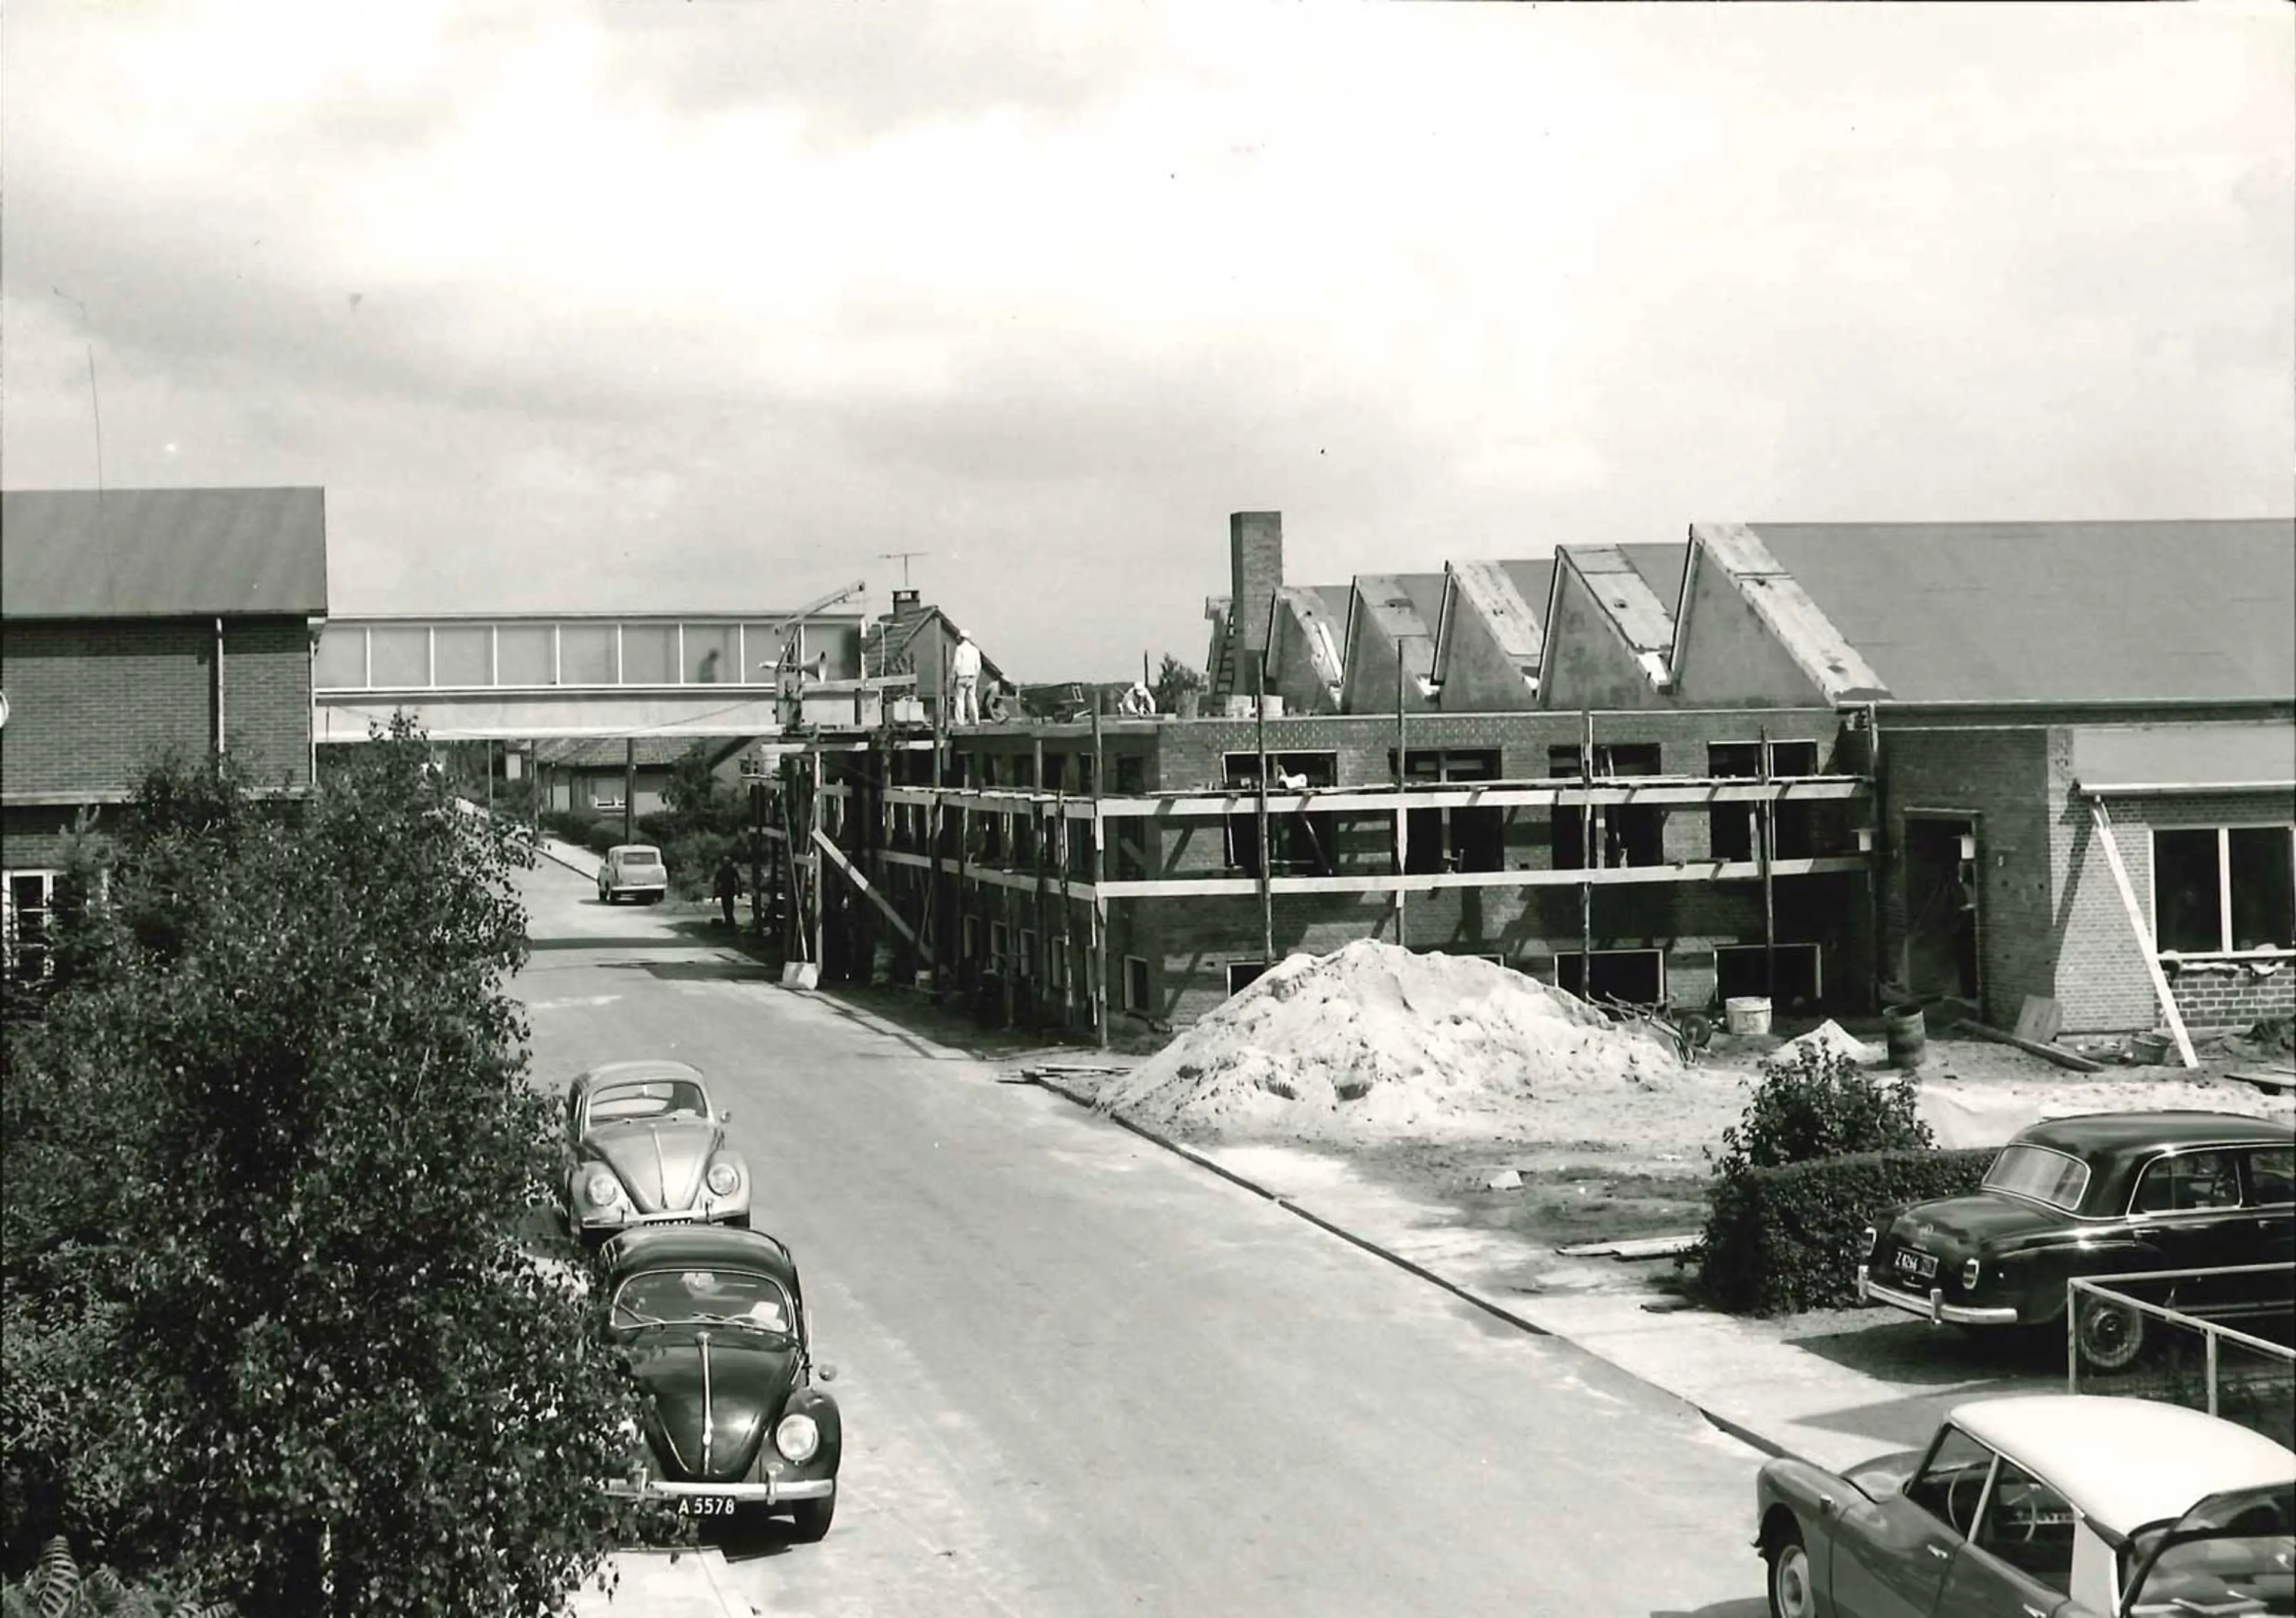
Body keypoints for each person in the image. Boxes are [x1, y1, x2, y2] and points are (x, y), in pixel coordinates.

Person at [949, 633, 983, 725]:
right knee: (972, 698)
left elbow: (957, 664)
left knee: (960, 699)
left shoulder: (960, 649)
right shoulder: (975, 650)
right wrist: (976, 678)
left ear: (961, 638)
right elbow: (979, 666)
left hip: (962, 677)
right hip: (972, 677)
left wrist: (952, 675)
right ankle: (975, 720)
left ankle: (960, 721)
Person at [713, 856, 740, 928]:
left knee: (727, 905)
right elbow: (738, 880)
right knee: (728, 905)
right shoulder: (729, 870)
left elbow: (716, 881)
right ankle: (729, 920)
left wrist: (715, 891)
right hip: (728, 890)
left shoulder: (724, 870)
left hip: (727, 890)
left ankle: (730, 920)